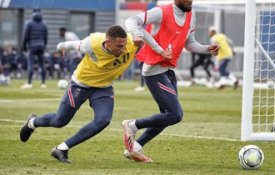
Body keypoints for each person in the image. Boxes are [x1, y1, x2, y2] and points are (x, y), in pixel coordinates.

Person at [19, 25, 144, 163]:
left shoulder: (133, 42)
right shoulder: (90, 44)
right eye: (119, 46)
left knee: (103, 120)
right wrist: (61, 46)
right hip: (81, 84)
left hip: (103, 87)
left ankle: (61, 148)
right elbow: (72, 44)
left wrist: (156, 49)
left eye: (124, 45)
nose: (123, 49)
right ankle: (32, 123)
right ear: (108, 43)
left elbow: (146, 33)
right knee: (60, 121)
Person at [122, 0, 219, 163]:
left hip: (168, 71)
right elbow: (131, 21)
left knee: (166, 116)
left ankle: (135, 148)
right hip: (153, 71)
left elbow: (189, 43)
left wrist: (205, 48)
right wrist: (138, 36)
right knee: (175, 115)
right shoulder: (161, 12)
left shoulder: (191, 14)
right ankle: (132, 125)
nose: (191, 1)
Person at [21, 8, 48, 89]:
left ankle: (29, 83)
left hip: (32, 46)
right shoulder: (44, 24)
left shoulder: (29, 23)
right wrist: (44, 46)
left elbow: (25, 36)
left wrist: (24, 46)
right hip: (41, 45)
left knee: (31, 64)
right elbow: (46, 37)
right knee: (42, 65)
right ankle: (43, 83)